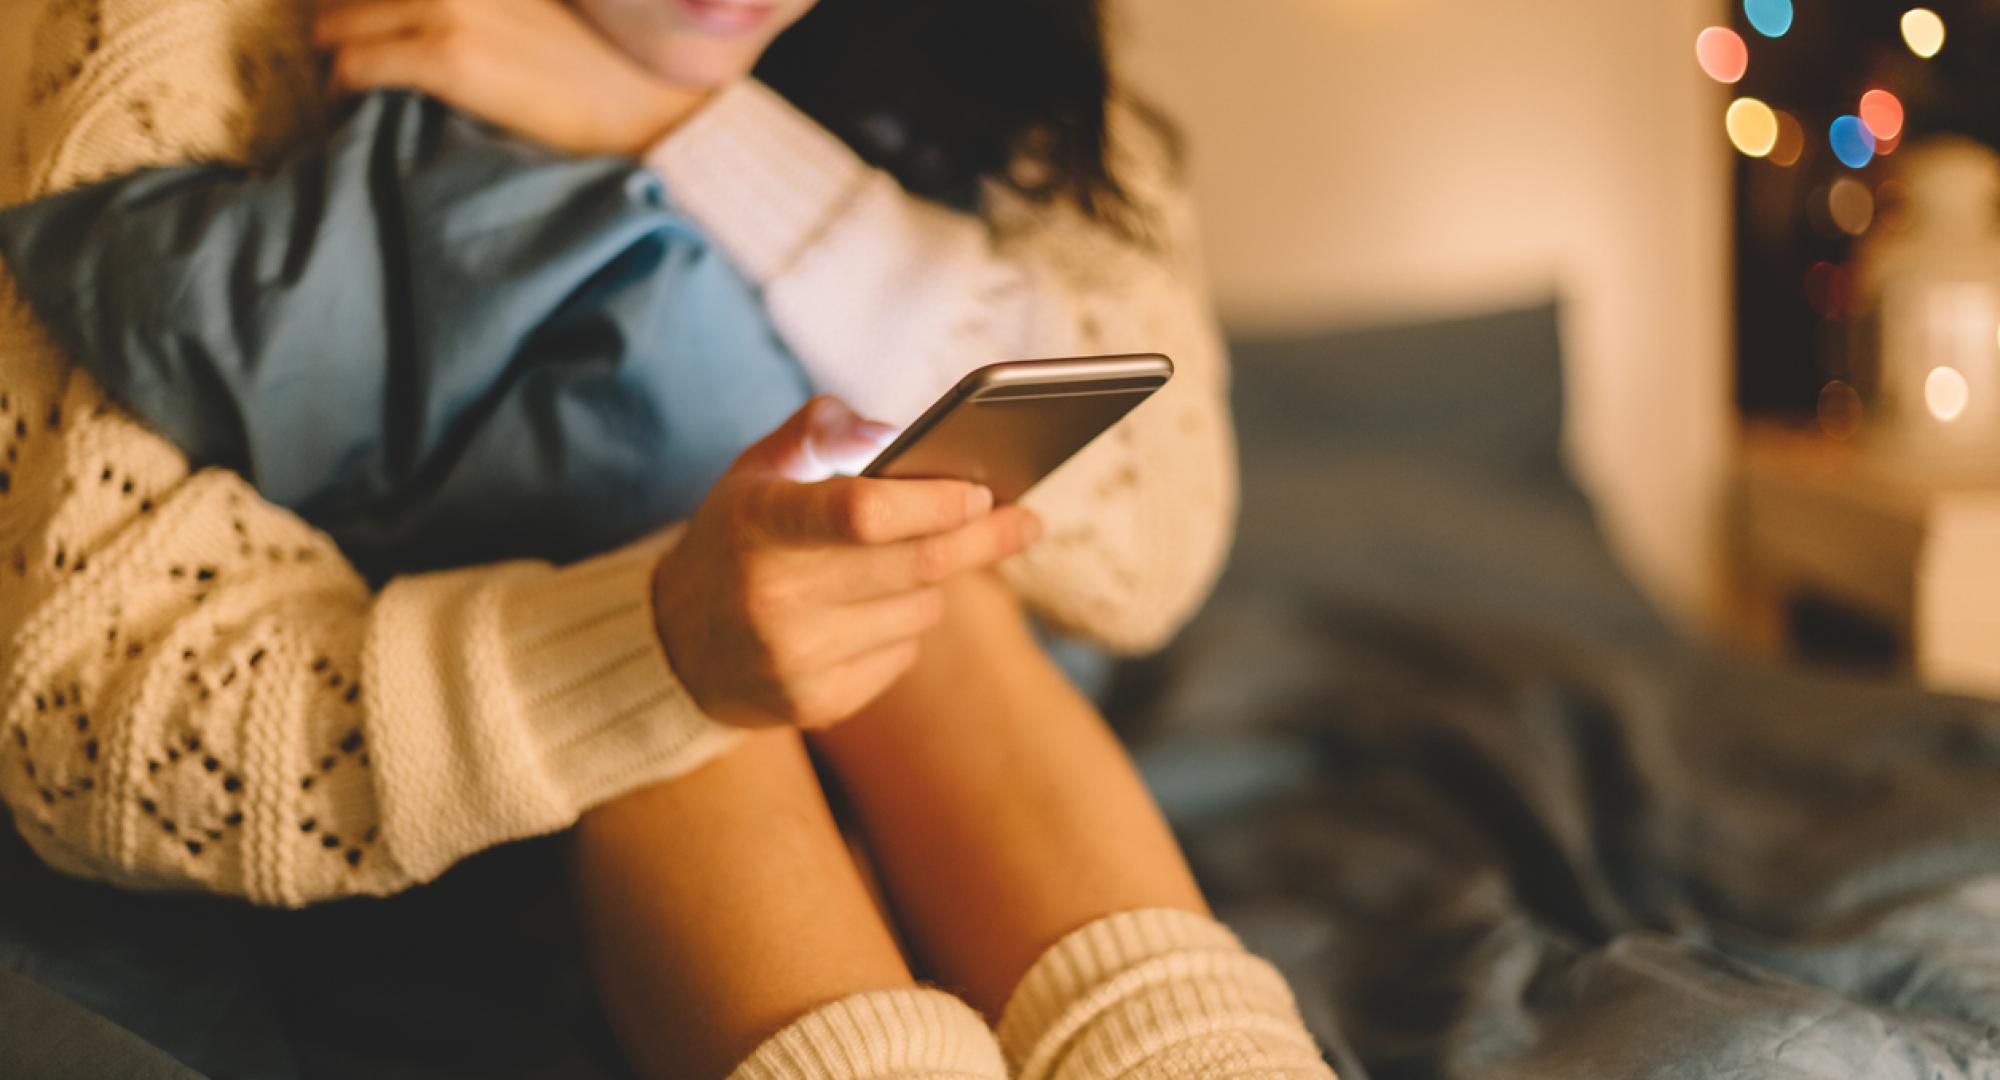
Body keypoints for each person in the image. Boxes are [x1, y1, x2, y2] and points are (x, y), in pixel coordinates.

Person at [0, 0, 1333, 1076]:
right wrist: (652, 644)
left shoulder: (991, 45)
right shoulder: (162, 39)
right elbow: (86, 714)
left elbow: (1149, 542)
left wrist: (683, 124)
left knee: (905, 553)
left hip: (944, 704)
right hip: (468, 770)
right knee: (714, 591)